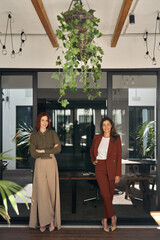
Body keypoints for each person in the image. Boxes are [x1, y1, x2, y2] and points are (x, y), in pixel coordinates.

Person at [29, 112, 61, 232]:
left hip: (52, 164)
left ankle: (51, 220)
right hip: (40, 164)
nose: (44, 123)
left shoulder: (52, 133)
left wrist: (42, 150)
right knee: (42, 193)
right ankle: (44, 222)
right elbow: (33, 153)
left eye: (46, 120)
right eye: (42, 120)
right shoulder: (34, 136)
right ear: (39, 122)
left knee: (52, 193)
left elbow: (58, 149)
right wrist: (49, 151)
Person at [90, 117, 122, 232]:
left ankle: (104, 219)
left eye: (108, 124)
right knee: (105, 194)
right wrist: (93, 160)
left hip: (112, 169)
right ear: (101, 127)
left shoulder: (116, 139)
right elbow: (91, 150)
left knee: (109, 195)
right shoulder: (97, 138)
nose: (106, 127)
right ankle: (113, 217)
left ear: (111, 125)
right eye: (104, 125)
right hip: (100, 168)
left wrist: (118, 174)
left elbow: (119, 157)